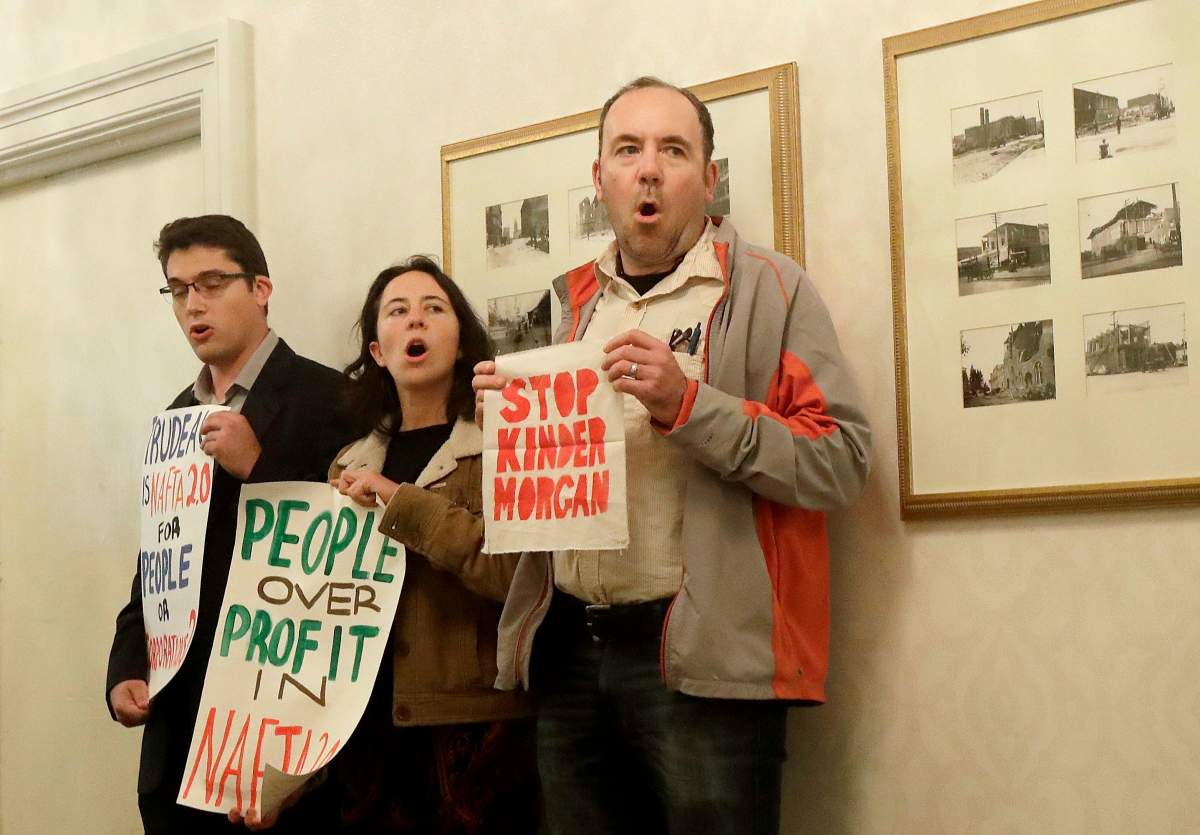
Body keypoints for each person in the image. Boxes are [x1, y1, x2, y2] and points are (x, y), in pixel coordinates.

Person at [473, 77, 871, 834]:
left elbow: (841, 457)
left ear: (709, 179)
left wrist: (688, 407)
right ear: (600, 179)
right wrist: (506, 422)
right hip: (569, 656)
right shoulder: (568, 305)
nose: (648, 169)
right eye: (628, 150)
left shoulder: (772, 291)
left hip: (702, 669)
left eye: (673, 150)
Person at [105, 214, 354, 832]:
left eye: (212, 282)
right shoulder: (174, 416)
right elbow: (158, 564)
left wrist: (260, 468)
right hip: (180, 733)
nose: (194, 303)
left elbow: (356, 555)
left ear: (261, 288)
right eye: (179, 288)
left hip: (280, 726)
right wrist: (126, 665)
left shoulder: (335, 399)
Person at [328, 256, 540, 833]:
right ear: (376, 349)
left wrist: (404, 503)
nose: (415, 322)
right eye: (397, 312)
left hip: (476, 732)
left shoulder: (506, 445)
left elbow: (517, 577)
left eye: (433, 310)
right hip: (365, 733)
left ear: (460, 339)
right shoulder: (347, 464)